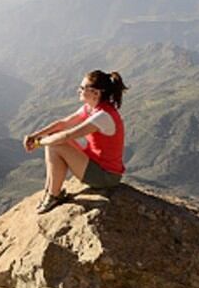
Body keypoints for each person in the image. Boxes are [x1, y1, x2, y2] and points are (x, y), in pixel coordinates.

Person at [23, 70, 128, 214]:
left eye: (82, 88)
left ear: (96, 93)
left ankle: (54, 195)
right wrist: (35, 136)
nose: (78, 90)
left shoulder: (102, 116)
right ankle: (51, 191)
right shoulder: (90, 108)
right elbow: (63, 124)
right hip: (95, 163)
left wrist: (39, 143)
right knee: (53, 137)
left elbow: (68, 135)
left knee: (55, 143)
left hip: (106, 176)